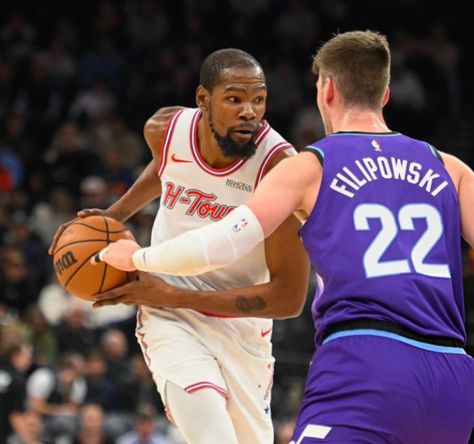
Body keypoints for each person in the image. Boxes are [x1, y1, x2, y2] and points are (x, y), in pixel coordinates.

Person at [96, 31, 474, 443]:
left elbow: (223, 242)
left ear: (326, 91)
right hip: (450, 379)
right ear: (386, 94)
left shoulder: (309, 166)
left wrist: (139, 255)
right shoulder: (449, 167)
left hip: (366, 365)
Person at [51, 48, 309, 444]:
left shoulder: (278, 169)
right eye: (235, 99)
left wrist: (175, 296)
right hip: (167, 312)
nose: (249, 112)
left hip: (240, 325)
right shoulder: (165, 129)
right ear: (203, 98)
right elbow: (167, 166)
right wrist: (114, 215)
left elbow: (289, 298)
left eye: (258, 100)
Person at [0, 341, 33, 443]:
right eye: (27, 357)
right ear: (15, 356)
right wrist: (30, 441)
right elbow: (16, 416)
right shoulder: (17, 381)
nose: (29, 362)